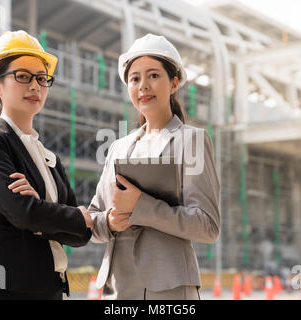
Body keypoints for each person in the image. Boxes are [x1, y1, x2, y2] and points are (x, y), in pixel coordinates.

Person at [88, 34, 221, 299]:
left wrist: (140, 206)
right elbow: (94, 222)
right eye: (134, 78)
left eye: (153, 76)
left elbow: (207, 226)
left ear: (173, 83)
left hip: (168, 291)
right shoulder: (117, 148)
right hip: (119, 289)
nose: (143, 86)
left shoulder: (191, 140)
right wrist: (112, 222)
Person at [0, 30, 92, 300]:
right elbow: (22, 212)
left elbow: (80, 235)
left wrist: (42, 212)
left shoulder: (50, 158)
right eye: (22, 76)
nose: (35, 86)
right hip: (4, 289)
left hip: (51, 288)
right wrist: (68, 216)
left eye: (42, 78)